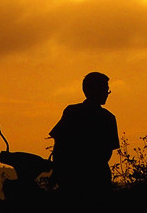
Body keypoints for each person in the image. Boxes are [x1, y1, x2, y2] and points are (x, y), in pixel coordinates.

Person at [49, 72, 119, 202]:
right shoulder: (107, 118)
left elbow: (59, 145)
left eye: (107, 90)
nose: (106, 94)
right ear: (91, 90)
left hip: (73, 178)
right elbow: (107, 152)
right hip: (97, 180)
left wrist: (57, 173)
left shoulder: (72, 112)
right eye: (104, 89)